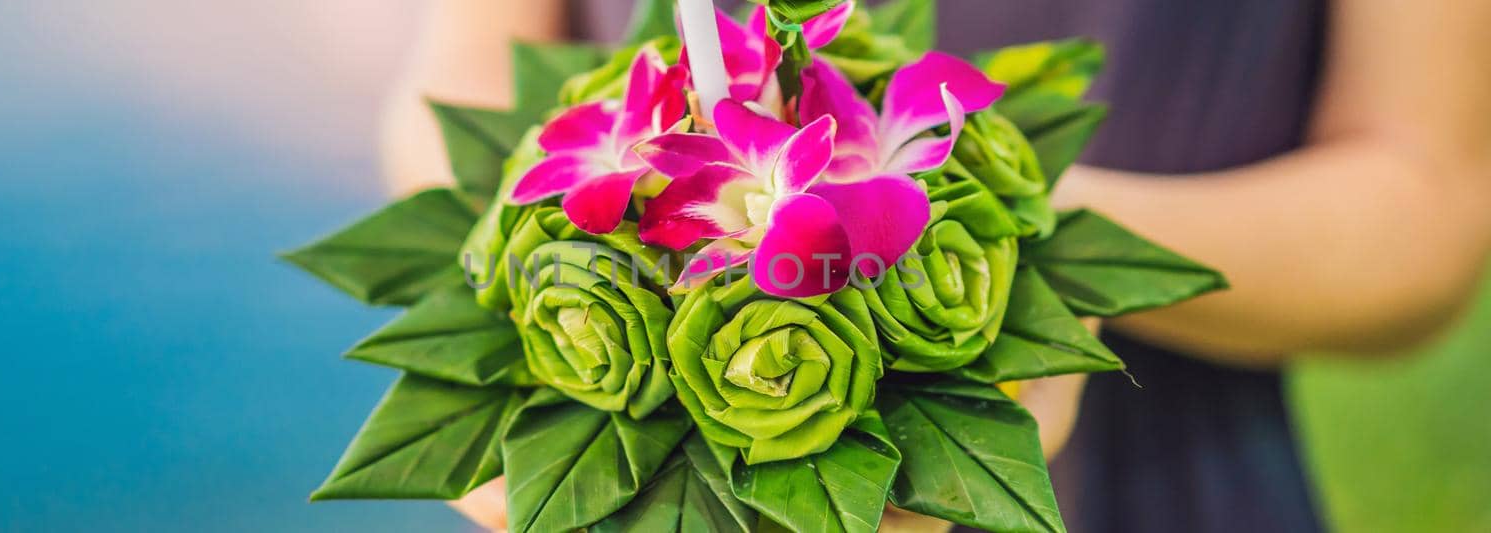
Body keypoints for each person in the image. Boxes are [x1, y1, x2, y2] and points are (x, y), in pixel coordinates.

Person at [384, 1, 1491, 531]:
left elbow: (1429, 206)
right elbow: (458, 97)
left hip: (1171, 486)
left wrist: (1029, 241)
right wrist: (549, 340)